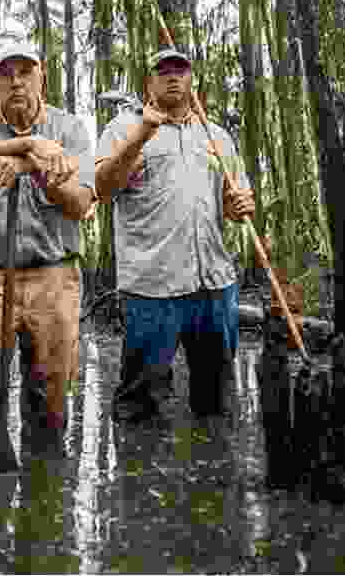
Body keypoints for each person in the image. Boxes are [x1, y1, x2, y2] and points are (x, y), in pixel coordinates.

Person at [0, 43, 96, 462]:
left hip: (54, 275)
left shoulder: (69, 129)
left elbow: (81, 204)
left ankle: (44, 493)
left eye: (25, 71)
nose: (16, 81)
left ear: (41, 75)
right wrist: (27, 144)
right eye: (6, 73)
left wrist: (33, 169)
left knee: (50, 400)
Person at [95, 47, 255, 424]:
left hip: (215, 285)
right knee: (140, 404)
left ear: (191, 79)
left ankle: (215, 476)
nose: (172, 77)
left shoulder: (216, 136)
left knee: (215, 401)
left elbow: (235, 205)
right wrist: (142, 134)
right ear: (149, 81)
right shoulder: (123, 128)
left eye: (180, 70)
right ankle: (135, 476)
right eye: (162, 70)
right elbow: (102, 189)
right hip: (153, 288)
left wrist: (239, 205)